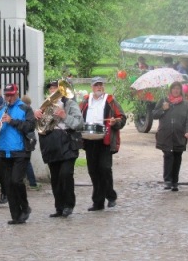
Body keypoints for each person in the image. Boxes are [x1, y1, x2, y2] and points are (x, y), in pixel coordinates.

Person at [35, 80, 83, 218]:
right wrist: (36, 115)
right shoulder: (45, 105)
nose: (53, 90)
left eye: (56, 88)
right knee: (55, 177)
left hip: (67, 143)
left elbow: (79, 124)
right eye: (51, 88)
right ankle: (59, 207)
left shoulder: (70, 104)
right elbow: (39, 127)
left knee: (65, 174)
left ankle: (69, 204)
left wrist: (64, 116)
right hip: (51, 144)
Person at [79, 77, 126, 211]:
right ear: (92, 87)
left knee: (104, 168)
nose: (98, 87)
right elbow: (78, 115)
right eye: (96, 85)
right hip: (89, 139)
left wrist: (115, 122)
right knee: (93, 171)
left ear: (103, 87)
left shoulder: (110, 101)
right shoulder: (86, 100)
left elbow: (122, 117)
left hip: (105, 139)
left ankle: (110, 196)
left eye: (100, 85)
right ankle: (98, 202)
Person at [0, 83, 36, 225]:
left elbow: (30, 126)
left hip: (20, 151)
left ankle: (25, 207)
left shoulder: (25, 108)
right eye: (6, 95)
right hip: (4, 151)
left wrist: (12, 121)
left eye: (11, 95)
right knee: (8, 184)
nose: (8, 97)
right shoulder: (0, 109)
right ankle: (15, 215)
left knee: (16, 181)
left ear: (16, 94)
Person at [153, 81, 188, 192]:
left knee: (177, 157)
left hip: (179, 135)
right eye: (174, 88)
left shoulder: (185, 104)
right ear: (170, 90)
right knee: (168, 155)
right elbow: (154, 114)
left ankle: (175, 181)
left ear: (181, 90)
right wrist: (163, 109)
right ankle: (168, 180)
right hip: (165, 135)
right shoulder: (164, 101)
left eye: (178, 89)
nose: (176, 91)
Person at [20, 95, 39, 190]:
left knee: (24, 162)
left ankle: (31, 182)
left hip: (24, 139)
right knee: (26, 161)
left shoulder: (21, 111)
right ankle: (32, 183)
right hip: (30, 139)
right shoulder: (30, 111)